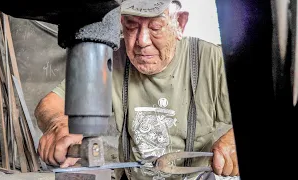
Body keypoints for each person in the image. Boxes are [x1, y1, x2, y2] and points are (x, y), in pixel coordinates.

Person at [34, 0, 239, 179]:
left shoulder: (212, 62)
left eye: (156, 27)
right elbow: (50, 104)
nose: (142, 41)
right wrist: (57, 123)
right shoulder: (110, 60)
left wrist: (233, 142)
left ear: (180, 24)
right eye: (131, 26)